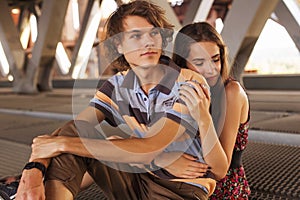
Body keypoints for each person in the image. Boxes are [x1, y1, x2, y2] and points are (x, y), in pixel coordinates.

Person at [11, 2, 228, 200]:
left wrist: (61, 144)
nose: (149, 42)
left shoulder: (187, 81)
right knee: (76, 135)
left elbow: (151, 147)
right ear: (119, 47)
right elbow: (78, 128)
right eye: (136, 36)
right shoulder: (116, 85)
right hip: (137, 176)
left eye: (154, 33)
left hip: (180, 189)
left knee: (71, 143)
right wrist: (34, 167)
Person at [163, 21, 251, 199]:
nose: (211, 69)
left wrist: (203, 117)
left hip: (222, 189)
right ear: (183, 64)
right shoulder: (178, 89)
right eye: (199, 62)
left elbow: (220, 171)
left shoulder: (232, 92)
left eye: (215, 59)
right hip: (183, 183)